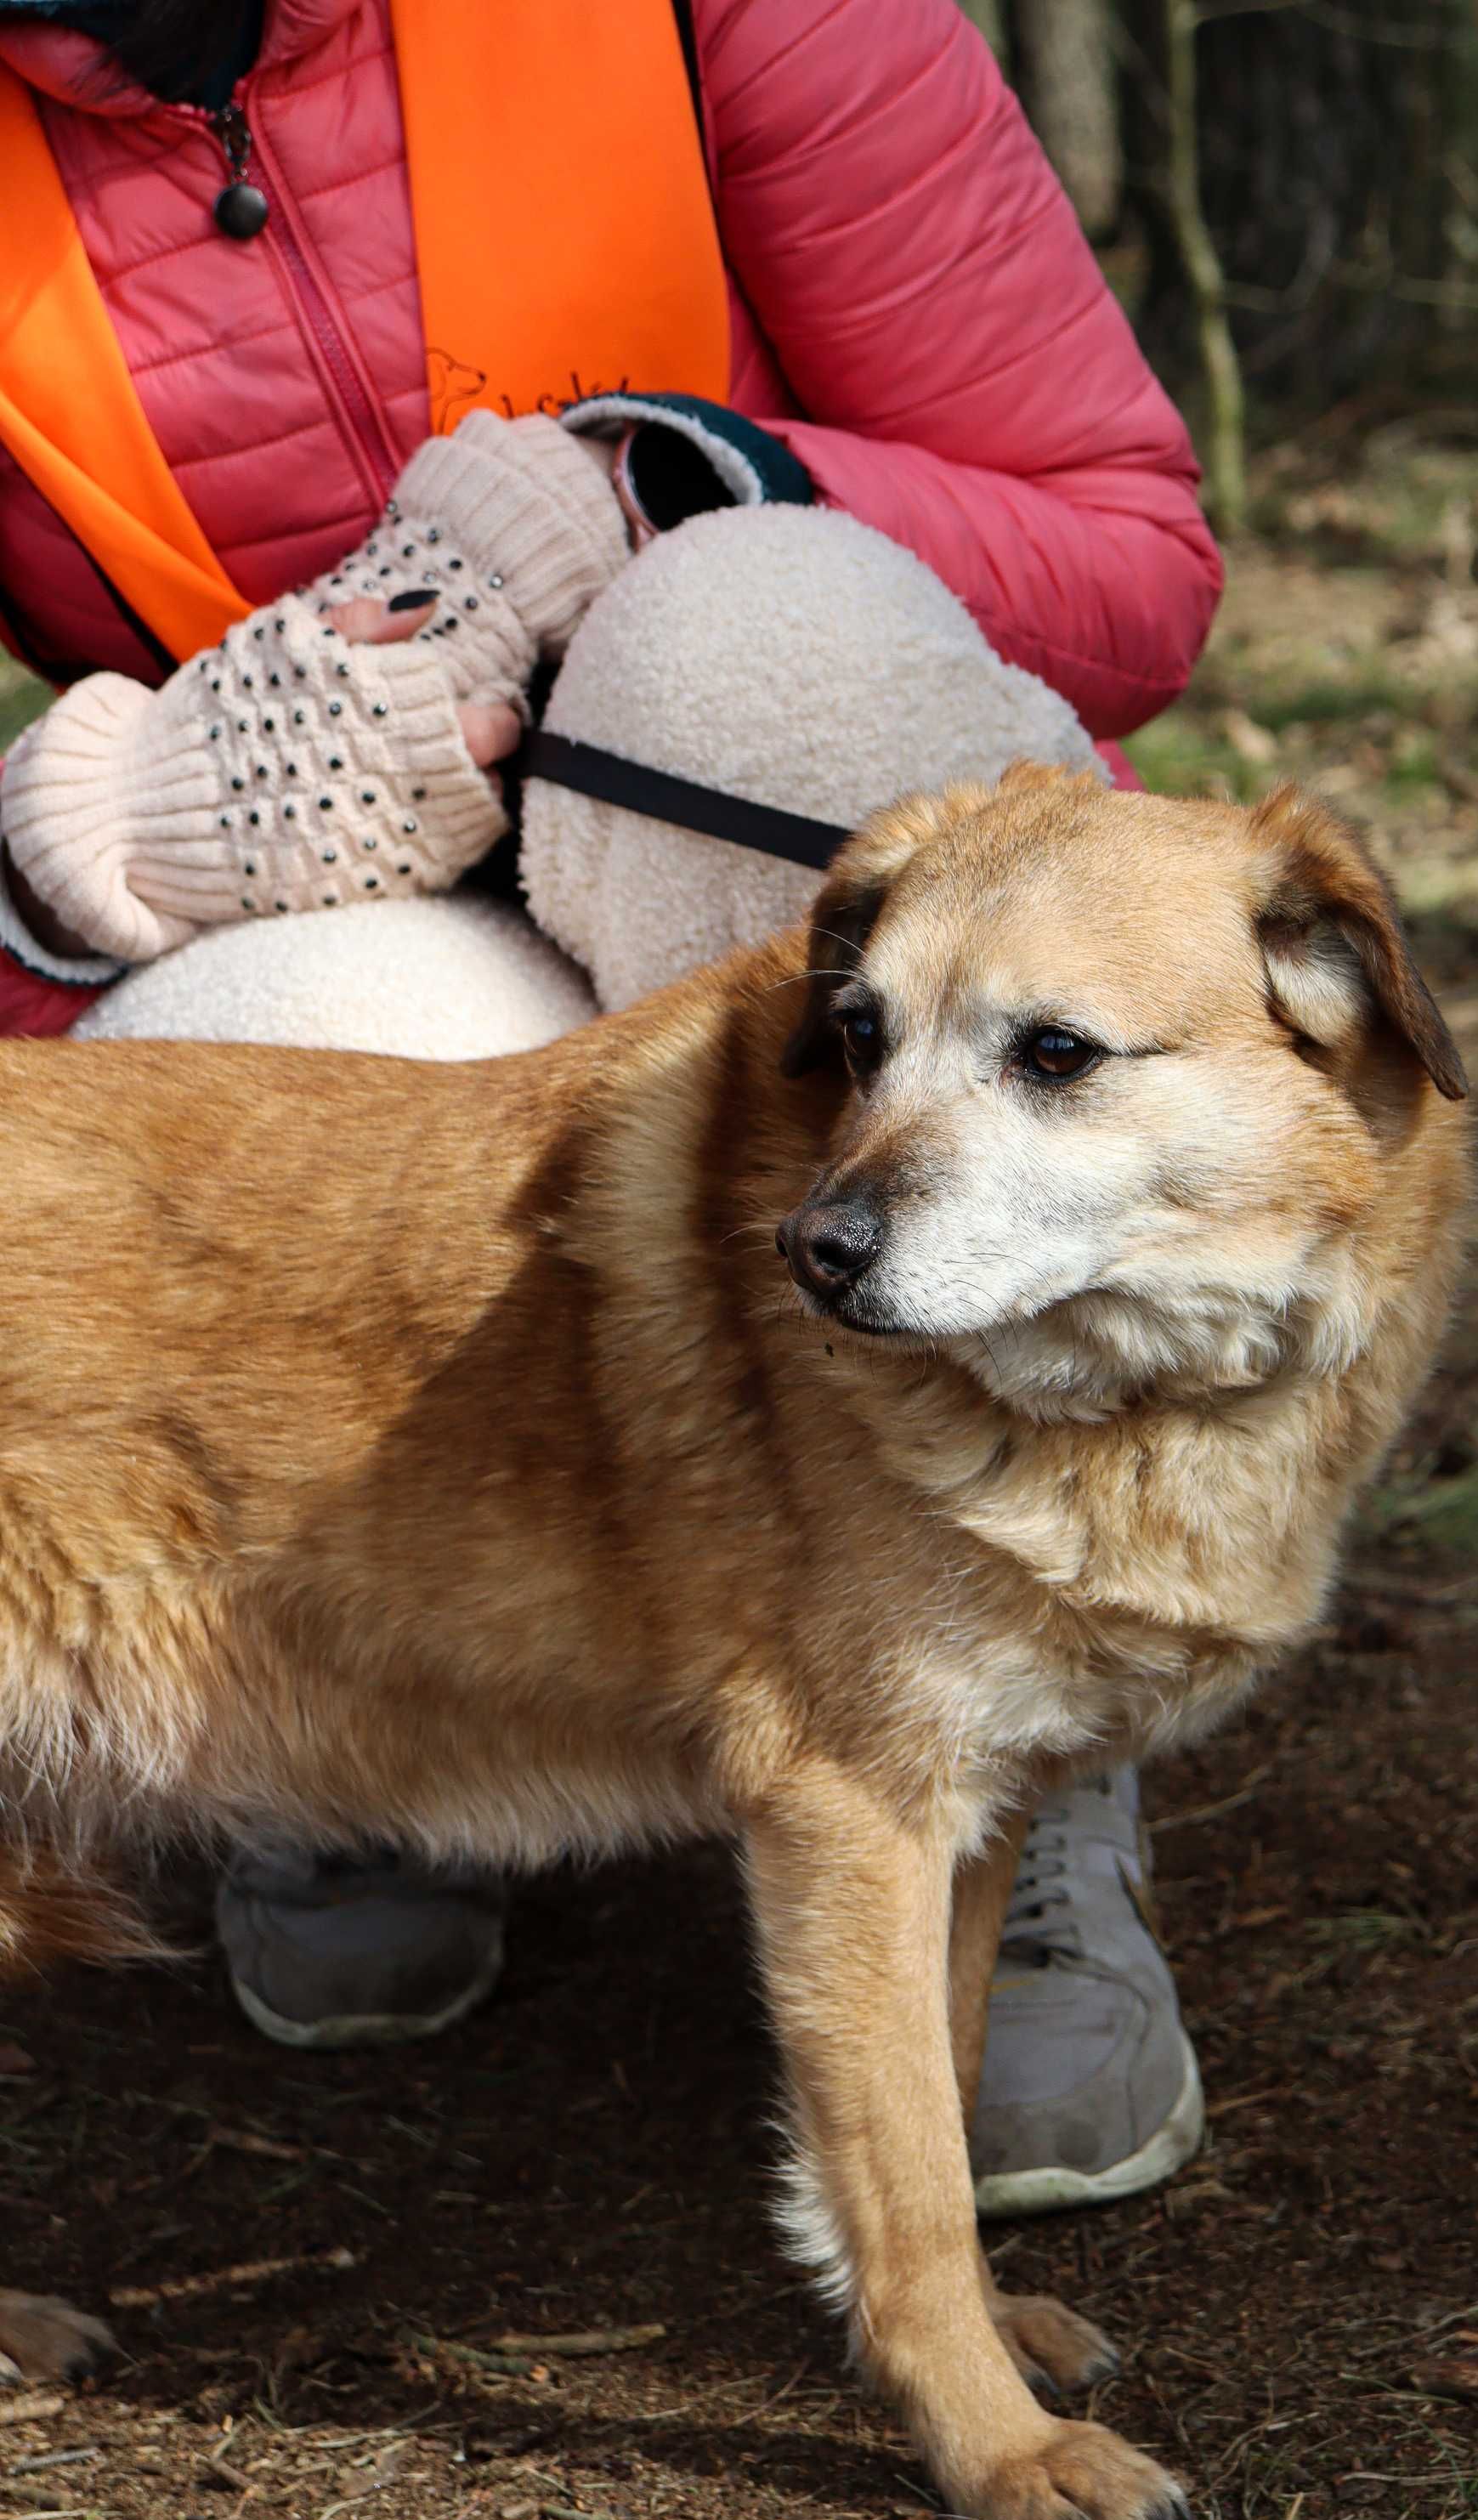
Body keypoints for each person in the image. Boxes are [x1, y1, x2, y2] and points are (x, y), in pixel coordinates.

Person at [0, 0, 1222, 2217]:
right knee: (291, 1009)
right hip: (371, 925)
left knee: (752, 633)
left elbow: (1130, 551)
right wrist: (91, 850)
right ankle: (352, 1711)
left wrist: (667, 478)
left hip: (777, 850)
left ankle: (1014, 1747)